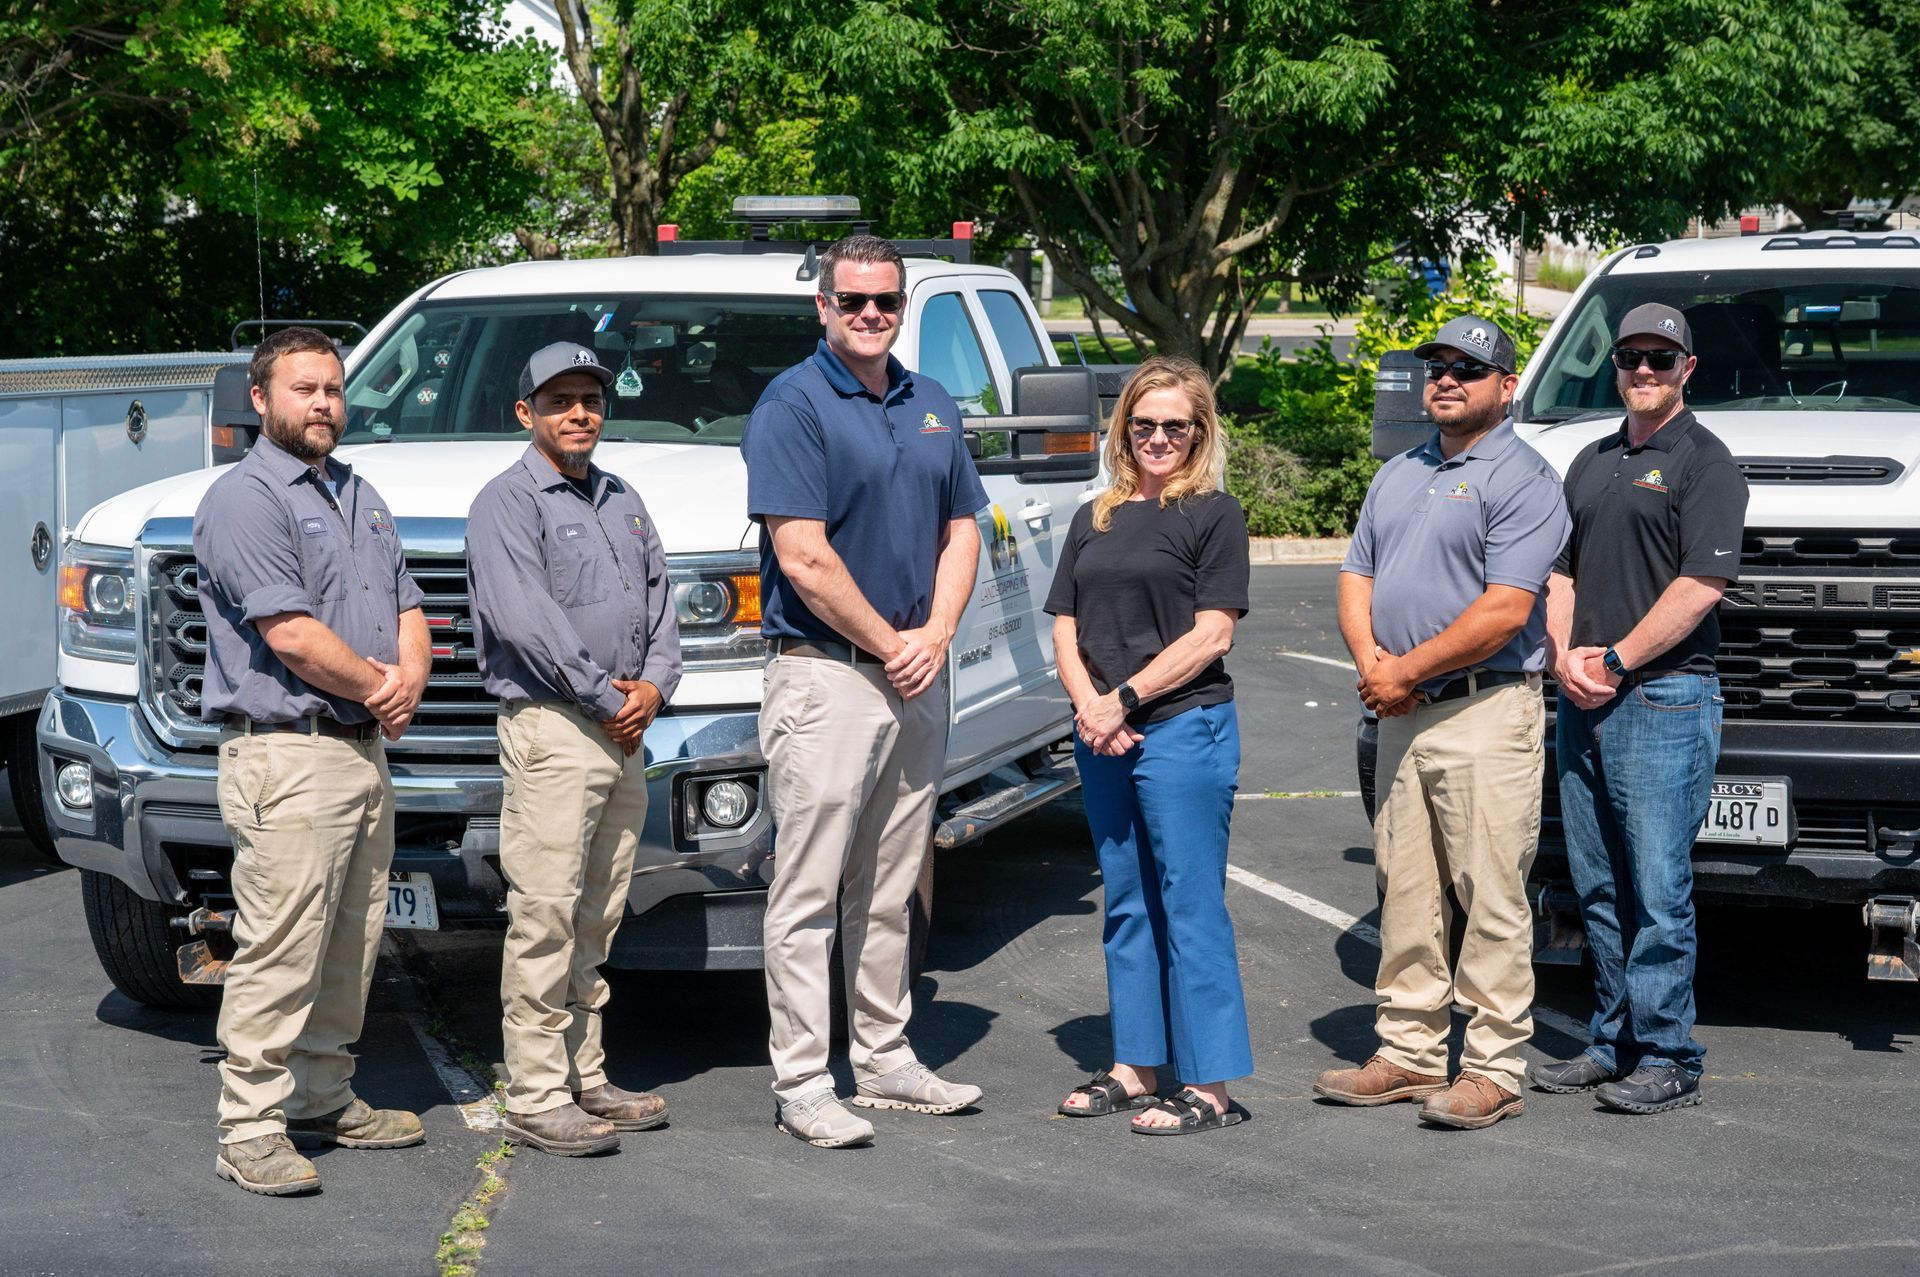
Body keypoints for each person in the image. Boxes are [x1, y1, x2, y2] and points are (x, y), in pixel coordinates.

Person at [741, 234, 990, 1148]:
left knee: (891, 884)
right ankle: (804, 1079)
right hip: (828, 676)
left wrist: (934, 637)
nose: (872, 316)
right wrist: (892, 644)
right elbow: (803, 554)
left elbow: (964, 528)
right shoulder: (792, 404)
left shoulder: (932, 403)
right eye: (854, 302)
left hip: (917, 674)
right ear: (823, 307)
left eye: (886, 301)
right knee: (807, 890)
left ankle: (883, 1056)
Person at [1314, 316, 1570, 1130]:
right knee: (1407, 888)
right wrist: (1374, 666)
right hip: (1401, 709)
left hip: (1485, 708)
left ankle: (1493, 1064)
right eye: (1438, 366)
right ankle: (1411, 1048)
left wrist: (1405, 670)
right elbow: (1357, 573)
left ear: (1506, 385)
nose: (1448, 379)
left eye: (1469, 367)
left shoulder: (1525, 478)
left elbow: (1505, 610)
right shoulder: (1399, 472)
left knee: (1491, 892)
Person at [194, 325, 431, 1196]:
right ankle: (248, 1127)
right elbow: (288, 632)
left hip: (360, 753)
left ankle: (323, 1096)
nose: (324, 403)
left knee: (350, 940)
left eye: (333, 388)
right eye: (304, 389)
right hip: (287, 756)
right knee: (280, 947)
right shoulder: (246, 499)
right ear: (261, 399)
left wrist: (406, 676)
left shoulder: (359, 493)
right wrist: (384, 688)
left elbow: (409, 603)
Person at [467, 342, 683, 1156]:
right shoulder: (506, 503)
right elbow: (527, 621)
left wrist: (653, 689)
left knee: (599, 915)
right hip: (558, 728)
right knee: (546, 914)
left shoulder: (625, 499)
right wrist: (609, 698)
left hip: (623, 730)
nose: (579, 412)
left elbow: (661, 605)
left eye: (590, 398)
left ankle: (584, 1075)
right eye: (559, 400)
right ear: (526, 413)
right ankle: (534, 1090)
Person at [1531, 303, 1748, 1114]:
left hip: (1663, 696)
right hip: (1584, 698)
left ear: (1688, 367)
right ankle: (1611, 1040)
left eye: (1661, 357)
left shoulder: (1706, 462)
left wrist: (1618, 659)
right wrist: (1565, 657)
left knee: (1657, 889)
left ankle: (1668, 1054)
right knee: (1597, 886)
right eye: (1631, 357)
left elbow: (1702, 585)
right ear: (1615, 365)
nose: (1644, 370)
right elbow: (1560, 574)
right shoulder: (1589, 459)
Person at [1049, 355, 1254, 1137]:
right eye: (1145, 424)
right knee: (1127, 902)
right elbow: (1063, 623)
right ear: (1123, 428)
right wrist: (1092, 707)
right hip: (1104, 732)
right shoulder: (1093, 515)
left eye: (1176, 425)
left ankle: (1208, 1085)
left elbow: (1213, 632)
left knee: (1190, 904)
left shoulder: (1213, 514)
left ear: (1199, 431)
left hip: (1181, 726)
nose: (1159, 437)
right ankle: (1137, 1065)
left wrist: (1125, 698)